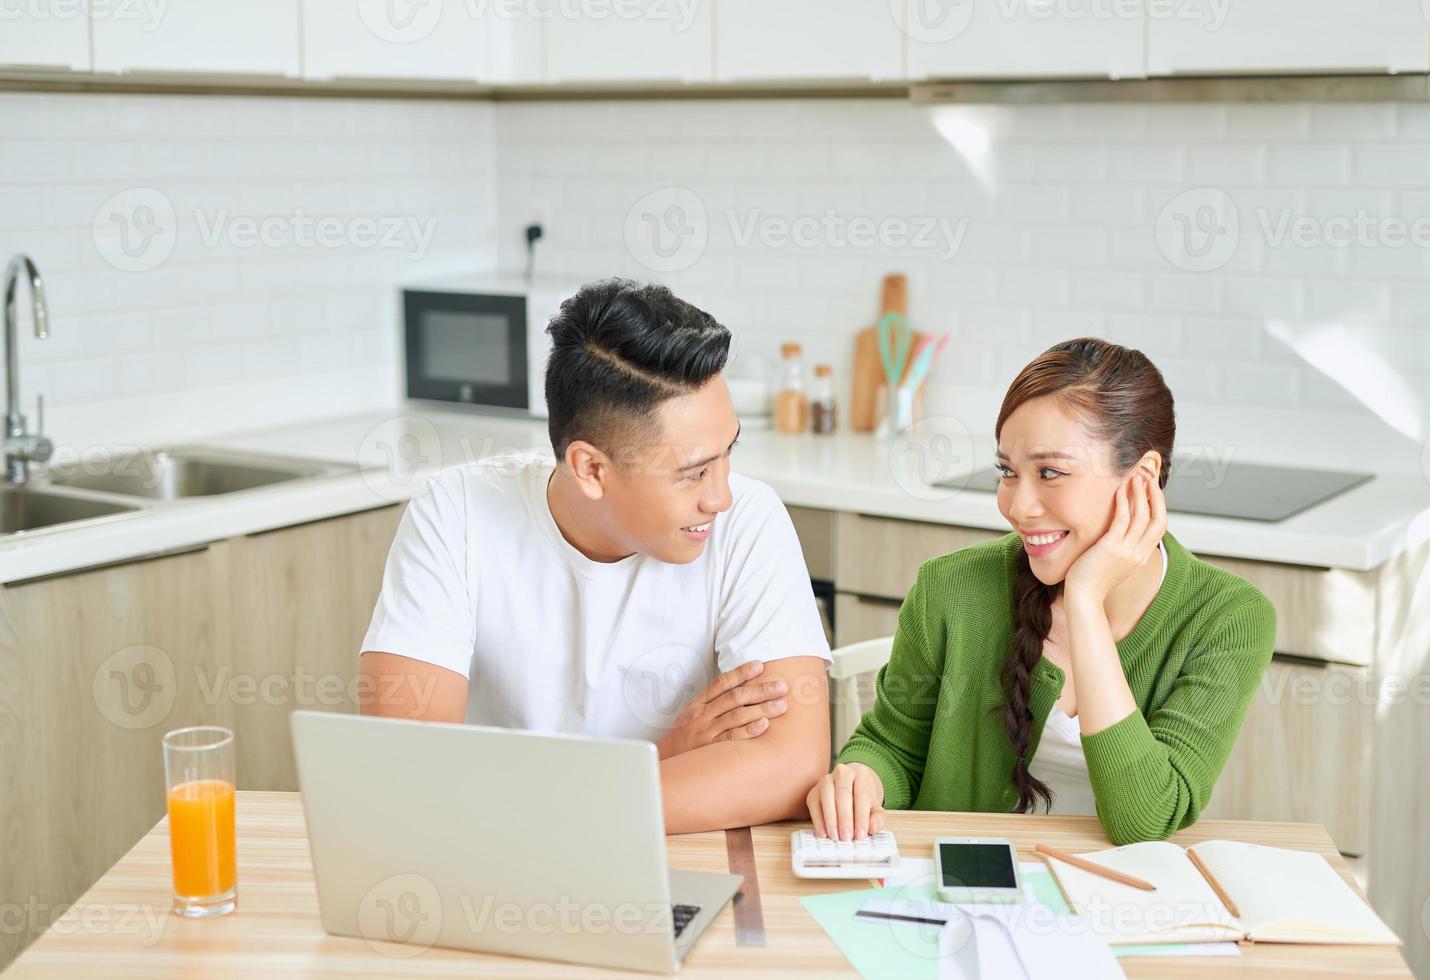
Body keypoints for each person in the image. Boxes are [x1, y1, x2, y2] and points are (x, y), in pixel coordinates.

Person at [359, 278, 832, 834]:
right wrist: (656, 760)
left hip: (650, 862)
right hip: (491, 871)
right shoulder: (455, 515)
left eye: (729, 454)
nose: (720, 496)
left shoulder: (749, 521)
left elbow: (792, 765)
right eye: (693, 473)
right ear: (590, 469)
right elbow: (406, 768)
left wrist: (539, 807)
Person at [806, 337, 1276, 845]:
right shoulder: (950, 588)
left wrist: (1085, 601)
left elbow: (1147, 820)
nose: (1018, 506)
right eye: (1008, 471)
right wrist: (861, 777)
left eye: (1050, 472)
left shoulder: (1228, 618)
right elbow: (895, 747)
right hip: (968, 897)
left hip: (1121, 910)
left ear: (1143, 478)